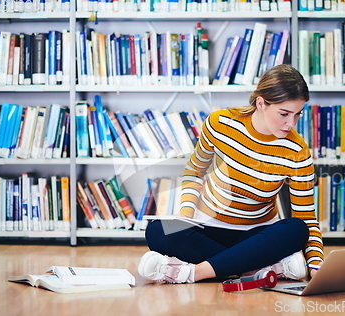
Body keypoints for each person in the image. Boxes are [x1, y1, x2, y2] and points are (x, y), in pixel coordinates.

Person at [138, 64, 324, 284]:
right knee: (157, 231)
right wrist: (186, 212)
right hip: (207, 226)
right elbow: (195, 170)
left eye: (297, 115)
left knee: (296, 229)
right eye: (284, 113)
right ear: (261, 103)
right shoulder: (220, 123)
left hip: (256, 234)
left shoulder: (298, 151)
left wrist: (315, 265)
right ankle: (258, 269)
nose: (290, 123)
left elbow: (307, 218)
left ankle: (191, 273)